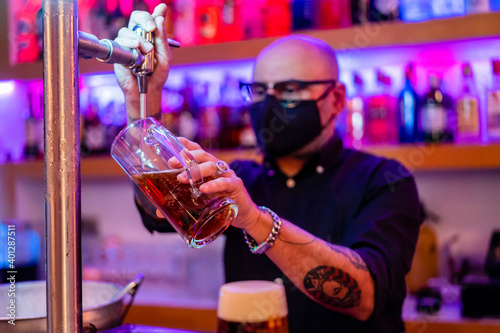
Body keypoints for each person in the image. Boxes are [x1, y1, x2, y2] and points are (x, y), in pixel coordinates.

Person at [114, 4, 422, 332]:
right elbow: (157, 209)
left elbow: (364, 296)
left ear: (336, 99)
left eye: (289, 90)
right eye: (260, 92)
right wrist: (141, 102)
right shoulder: (240, 178)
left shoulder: (386, 181)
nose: (270, 103)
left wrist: (254, 220)